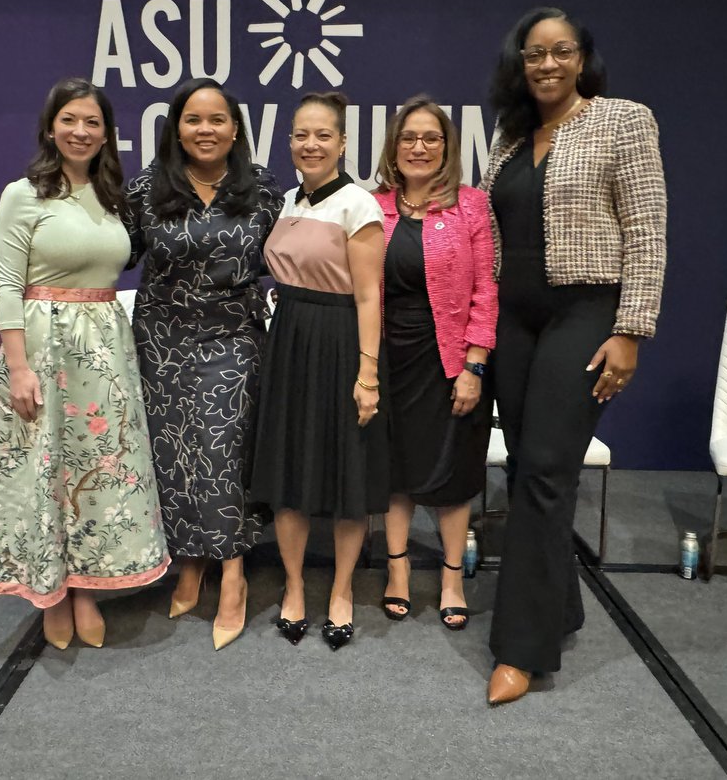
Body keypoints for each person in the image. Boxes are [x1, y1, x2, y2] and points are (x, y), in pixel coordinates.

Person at [480, 7, 667, 704]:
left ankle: (521, 650)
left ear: (583, 59)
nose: (547, 65)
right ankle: (562, 607)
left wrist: (632, 330)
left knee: (548, 470)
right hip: (515, 316)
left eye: (561, 52)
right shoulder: (510, 135)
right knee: (529, 463)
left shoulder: (623, 120)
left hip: (586, 312)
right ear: (519, 64)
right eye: (534, 54)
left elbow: (647, 230)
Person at [0, 78, 170, 649]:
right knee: (46, 471)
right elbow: (7, 284)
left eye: (93, 123)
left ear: (107, 134)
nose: (81, 132)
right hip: (44, 347)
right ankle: (50, 590)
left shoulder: (114, 196)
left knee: (97, 473)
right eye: (70, 120)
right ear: (51, 127)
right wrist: (19, 366)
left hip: (104, 348)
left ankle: (84, 585)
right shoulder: (24, 194)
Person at [124, 78, 282, 651]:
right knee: (172, 452)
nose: (205, 129)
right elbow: (107, 251)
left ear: (235, 129)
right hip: (161, 338)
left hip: (233, 335)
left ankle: (234, 571)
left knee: (223, 448)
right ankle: (189, 561)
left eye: (217, 119)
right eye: (193, 119)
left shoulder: (262, 190)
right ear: (175, 127)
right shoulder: (146, 188)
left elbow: (295, 257)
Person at [252, 91, 387, 651]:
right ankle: (293, 587)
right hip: (288, 343)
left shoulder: (359, 206)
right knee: (289, 474)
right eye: (301, 135)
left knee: (346, 474)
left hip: (340, 342)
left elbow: (369, 297)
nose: (311, 144)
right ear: (289, 142)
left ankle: (341, 590)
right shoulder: (286, 201)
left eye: (322, 135)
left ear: (342, 143)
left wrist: (368, 373)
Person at [373, 96, 497, 631]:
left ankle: (450, 578)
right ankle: (397, 572)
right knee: (396, 469)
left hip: (448, 360)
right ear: (393, 147)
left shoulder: (471, 205)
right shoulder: (370, 205)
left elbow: (485, 290)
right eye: (408, 138)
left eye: (431, 138)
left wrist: (474, 365)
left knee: (451, 472)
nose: (419, 147)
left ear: (447, 147)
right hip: (386, 357)